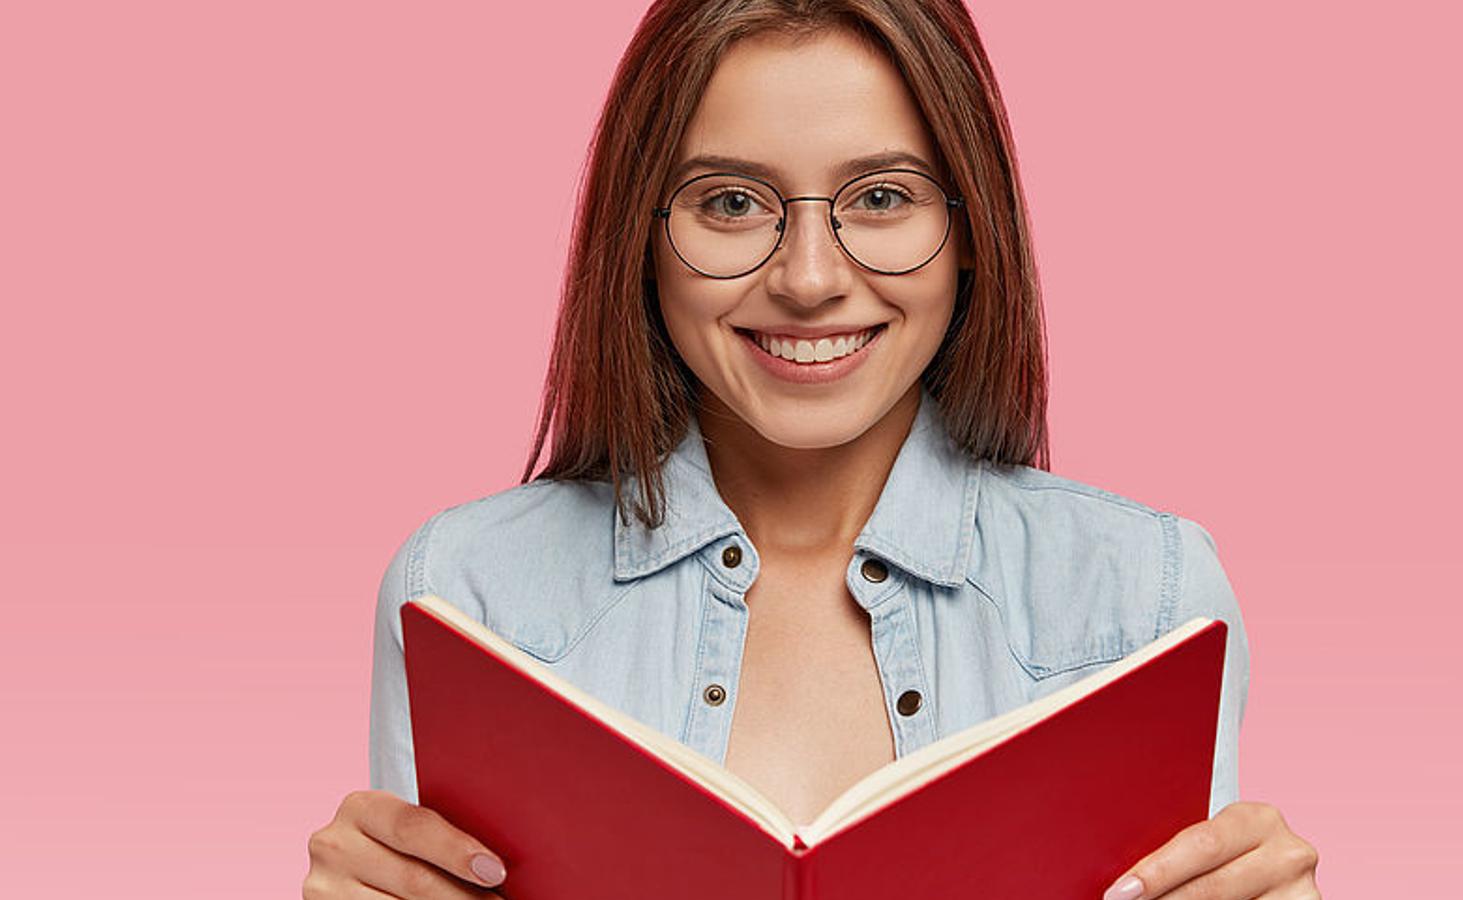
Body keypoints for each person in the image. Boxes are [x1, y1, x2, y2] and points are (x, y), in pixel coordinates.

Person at [304, 2, 1321, 898]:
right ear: (642, 234)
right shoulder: (465, 598)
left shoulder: (1144, 599)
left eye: (881, 198)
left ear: (970, 227)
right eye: (731, 202)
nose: (807, 278)